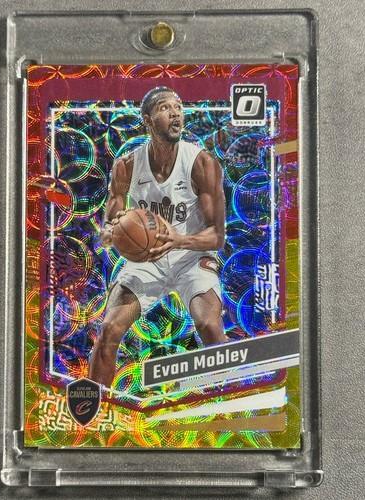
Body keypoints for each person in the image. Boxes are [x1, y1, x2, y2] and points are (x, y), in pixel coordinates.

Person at [89, 86, 228, 388]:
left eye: (178, 107)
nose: (175, 113)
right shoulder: (126, 166)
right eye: (165, 108)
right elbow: (110, 222)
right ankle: (96, 408)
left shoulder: (202, 163)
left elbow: (217, 236)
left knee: (209, 324)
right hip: (147, 261)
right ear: (147, 120)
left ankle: (233, 400)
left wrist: (178, 240)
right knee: (109, 330)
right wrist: (110, 233)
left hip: (191, 256)